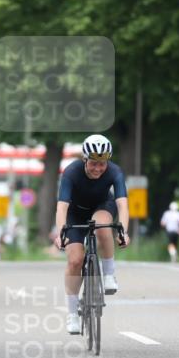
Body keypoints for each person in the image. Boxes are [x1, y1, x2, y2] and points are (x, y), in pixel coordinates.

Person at [52, 134, 130, 335]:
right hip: (74, 212)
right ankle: (72, 315)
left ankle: (109, 274)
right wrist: (62, 233)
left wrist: (124, 231)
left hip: (102, 206)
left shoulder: (115, 172)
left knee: (103, 225)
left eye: (102, 164)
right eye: (94, 163)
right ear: (85, 159)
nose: (98, 169)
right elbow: (61, 208)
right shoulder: (71, 172)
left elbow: (122, 204)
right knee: (75, 260)